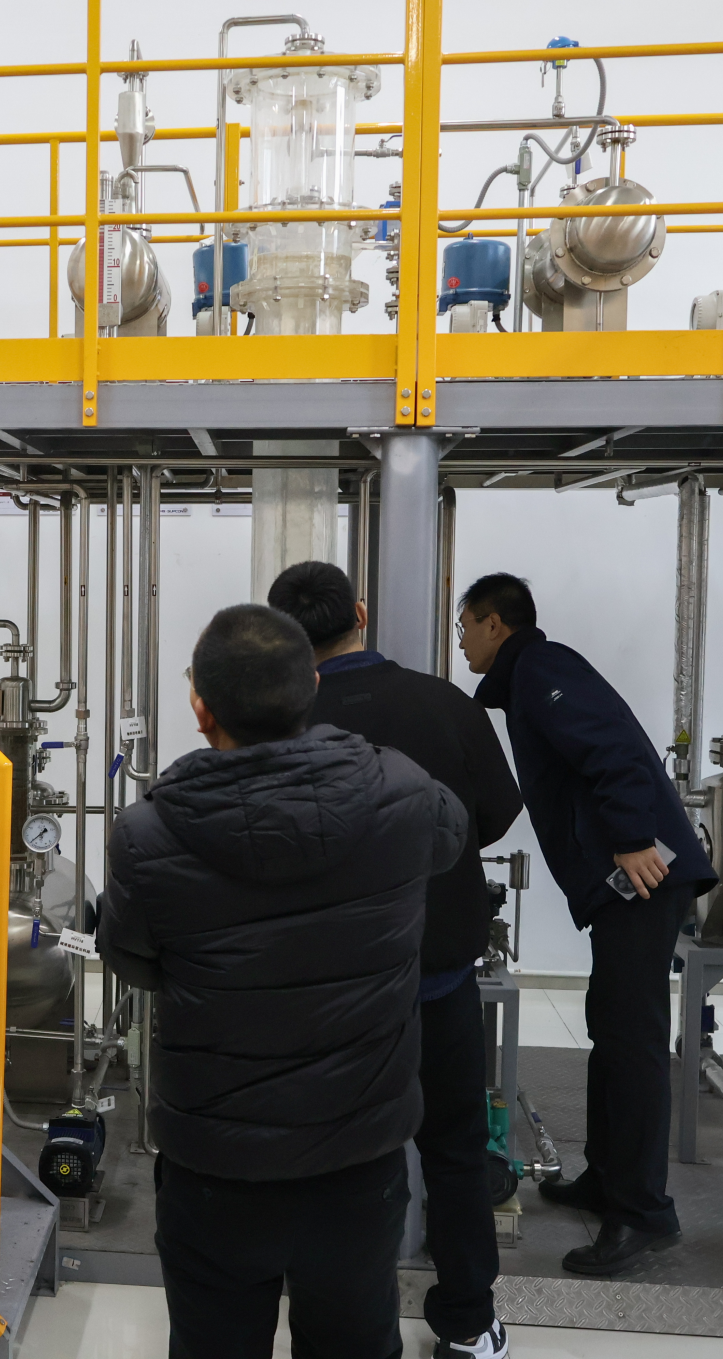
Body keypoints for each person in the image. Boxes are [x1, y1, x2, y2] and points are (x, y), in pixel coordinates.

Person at [99, 604, 467, 1359]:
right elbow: (453, 832)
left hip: (215, 1167)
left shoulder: (146, 834)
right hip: (357, 1158)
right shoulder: (402, 794)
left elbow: (132, 960)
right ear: (314, 687)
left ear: (201, 707)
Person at [267, 562, 521, 1359]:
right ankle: (469, 1321)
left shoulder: (278, 720)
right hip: (436, 976)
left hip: (323, 994)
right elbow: (497, 812)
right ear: (361, 612)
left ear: (282, 636)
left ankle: (334, 1315)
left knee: (327, 1154)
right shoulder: (445, 703)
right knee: (455, 1148)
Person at [455, 573, 716, 1277]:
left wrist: (630, 838)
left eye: (465, 625)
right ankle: (607, 1178)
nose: (462, 641)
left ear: (495, 623)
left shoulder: (542, 668)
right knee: (611, 1028)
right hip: (626, 882)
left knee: (632, 1044)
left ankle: (643, 1213)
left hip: (643, 875)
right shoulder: (530, 678)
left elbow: (614, 751)